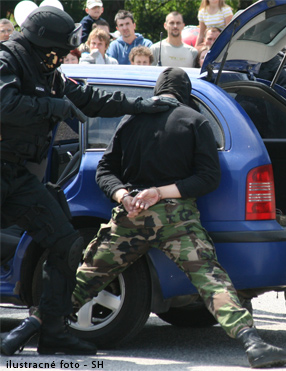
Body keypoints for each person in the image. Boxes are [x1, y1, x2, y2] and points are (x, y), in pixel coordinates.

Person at [71, 66, 286, 369]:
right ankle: (252, 344)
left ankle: (26, 330)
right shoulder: (195, 121)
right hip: (177, 221)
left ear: (157, 91)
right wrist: (161, 193)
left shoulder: (130, 120)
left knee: (87, 277)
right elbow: (208, 178)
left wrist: (124, 196)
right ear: (185, 93)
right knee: (211, 281)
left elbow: (105, 170)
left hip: (131, 215)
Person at [0, 6, 176, 357]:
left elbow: (91, 98)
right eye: (59, 51)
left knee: (65, 242)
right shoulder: (9, 60)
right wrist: (55, 108)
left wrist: (143, 105)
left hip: (16, 176)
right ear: (40, 45)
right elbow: (4, 103)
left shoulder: (52, 73)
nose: (63, 57)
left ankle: (52, 332)